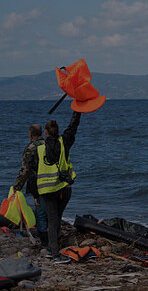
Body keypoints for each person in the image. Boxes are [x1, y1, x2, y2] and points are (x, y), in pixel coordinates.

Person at [37, 111, 81, 263]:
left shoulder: (40, 148)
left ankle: (51, 250)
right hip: (63, 188)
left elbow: (31, 171)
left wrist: (34, 194)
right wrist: (77, 110)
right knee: (56, 219)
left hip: (46, 190)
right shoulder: (64, 142)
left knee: (53, 219)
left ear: (46, 132)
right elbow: (73, 126)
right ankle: (55, 254)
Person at [12, 124, 48, 247]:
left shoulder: (31, 148)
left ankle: (46, 244)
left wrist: (16, 187)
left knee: (41, 214)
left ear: (31, 134)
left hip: (39, 185)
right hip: (54, 184)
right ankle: (54, 238)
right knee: (52, 212)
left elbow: (25, 170)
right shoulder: (49, 144)